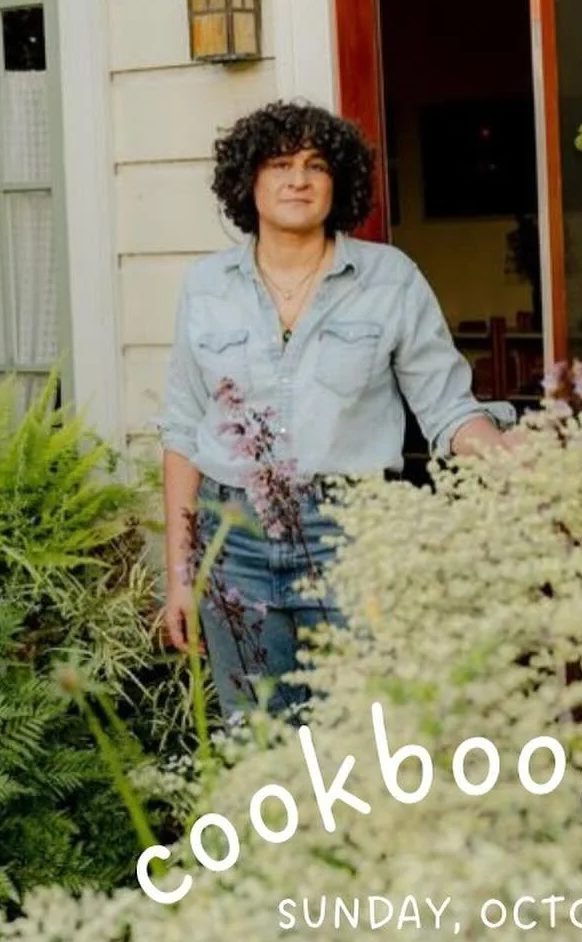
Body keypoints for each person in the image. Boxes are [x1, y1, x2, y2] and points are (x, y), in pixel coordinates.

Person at [159, 99, 517, 721]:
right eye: (279, 163)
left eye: (315, 165)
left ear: (338, 182)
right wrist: (179, 573)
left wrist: (504, 452)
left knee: (361, 732)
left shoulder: (390, 280)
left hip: (352, 535)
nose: (298, 178)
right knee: (255, 741)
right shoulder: (205, 286)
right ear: (249, 180)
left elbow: (447, 408)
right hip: (232, 536)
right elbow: (184, 430)